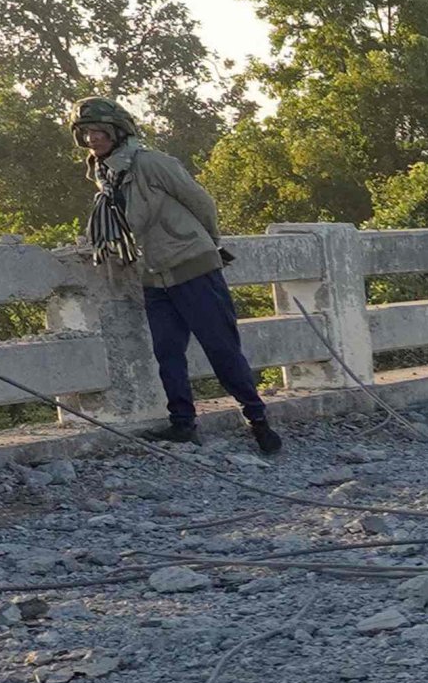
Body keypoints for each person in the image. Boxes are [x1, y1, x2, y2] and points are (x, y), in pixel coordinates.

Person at [70, 97, 282, 455]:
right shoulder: (104, 175)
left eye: (99, 131)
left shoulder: (151, 163)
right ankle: (182, 424)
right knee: (167, 352)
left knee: (222, 348)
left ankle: (258, 420)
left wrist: (209, 245)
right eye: (86, 132)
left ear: (118, 131)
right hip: (153, 274)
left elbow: (201, 201)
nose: (93, 139)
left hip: (192, 266)